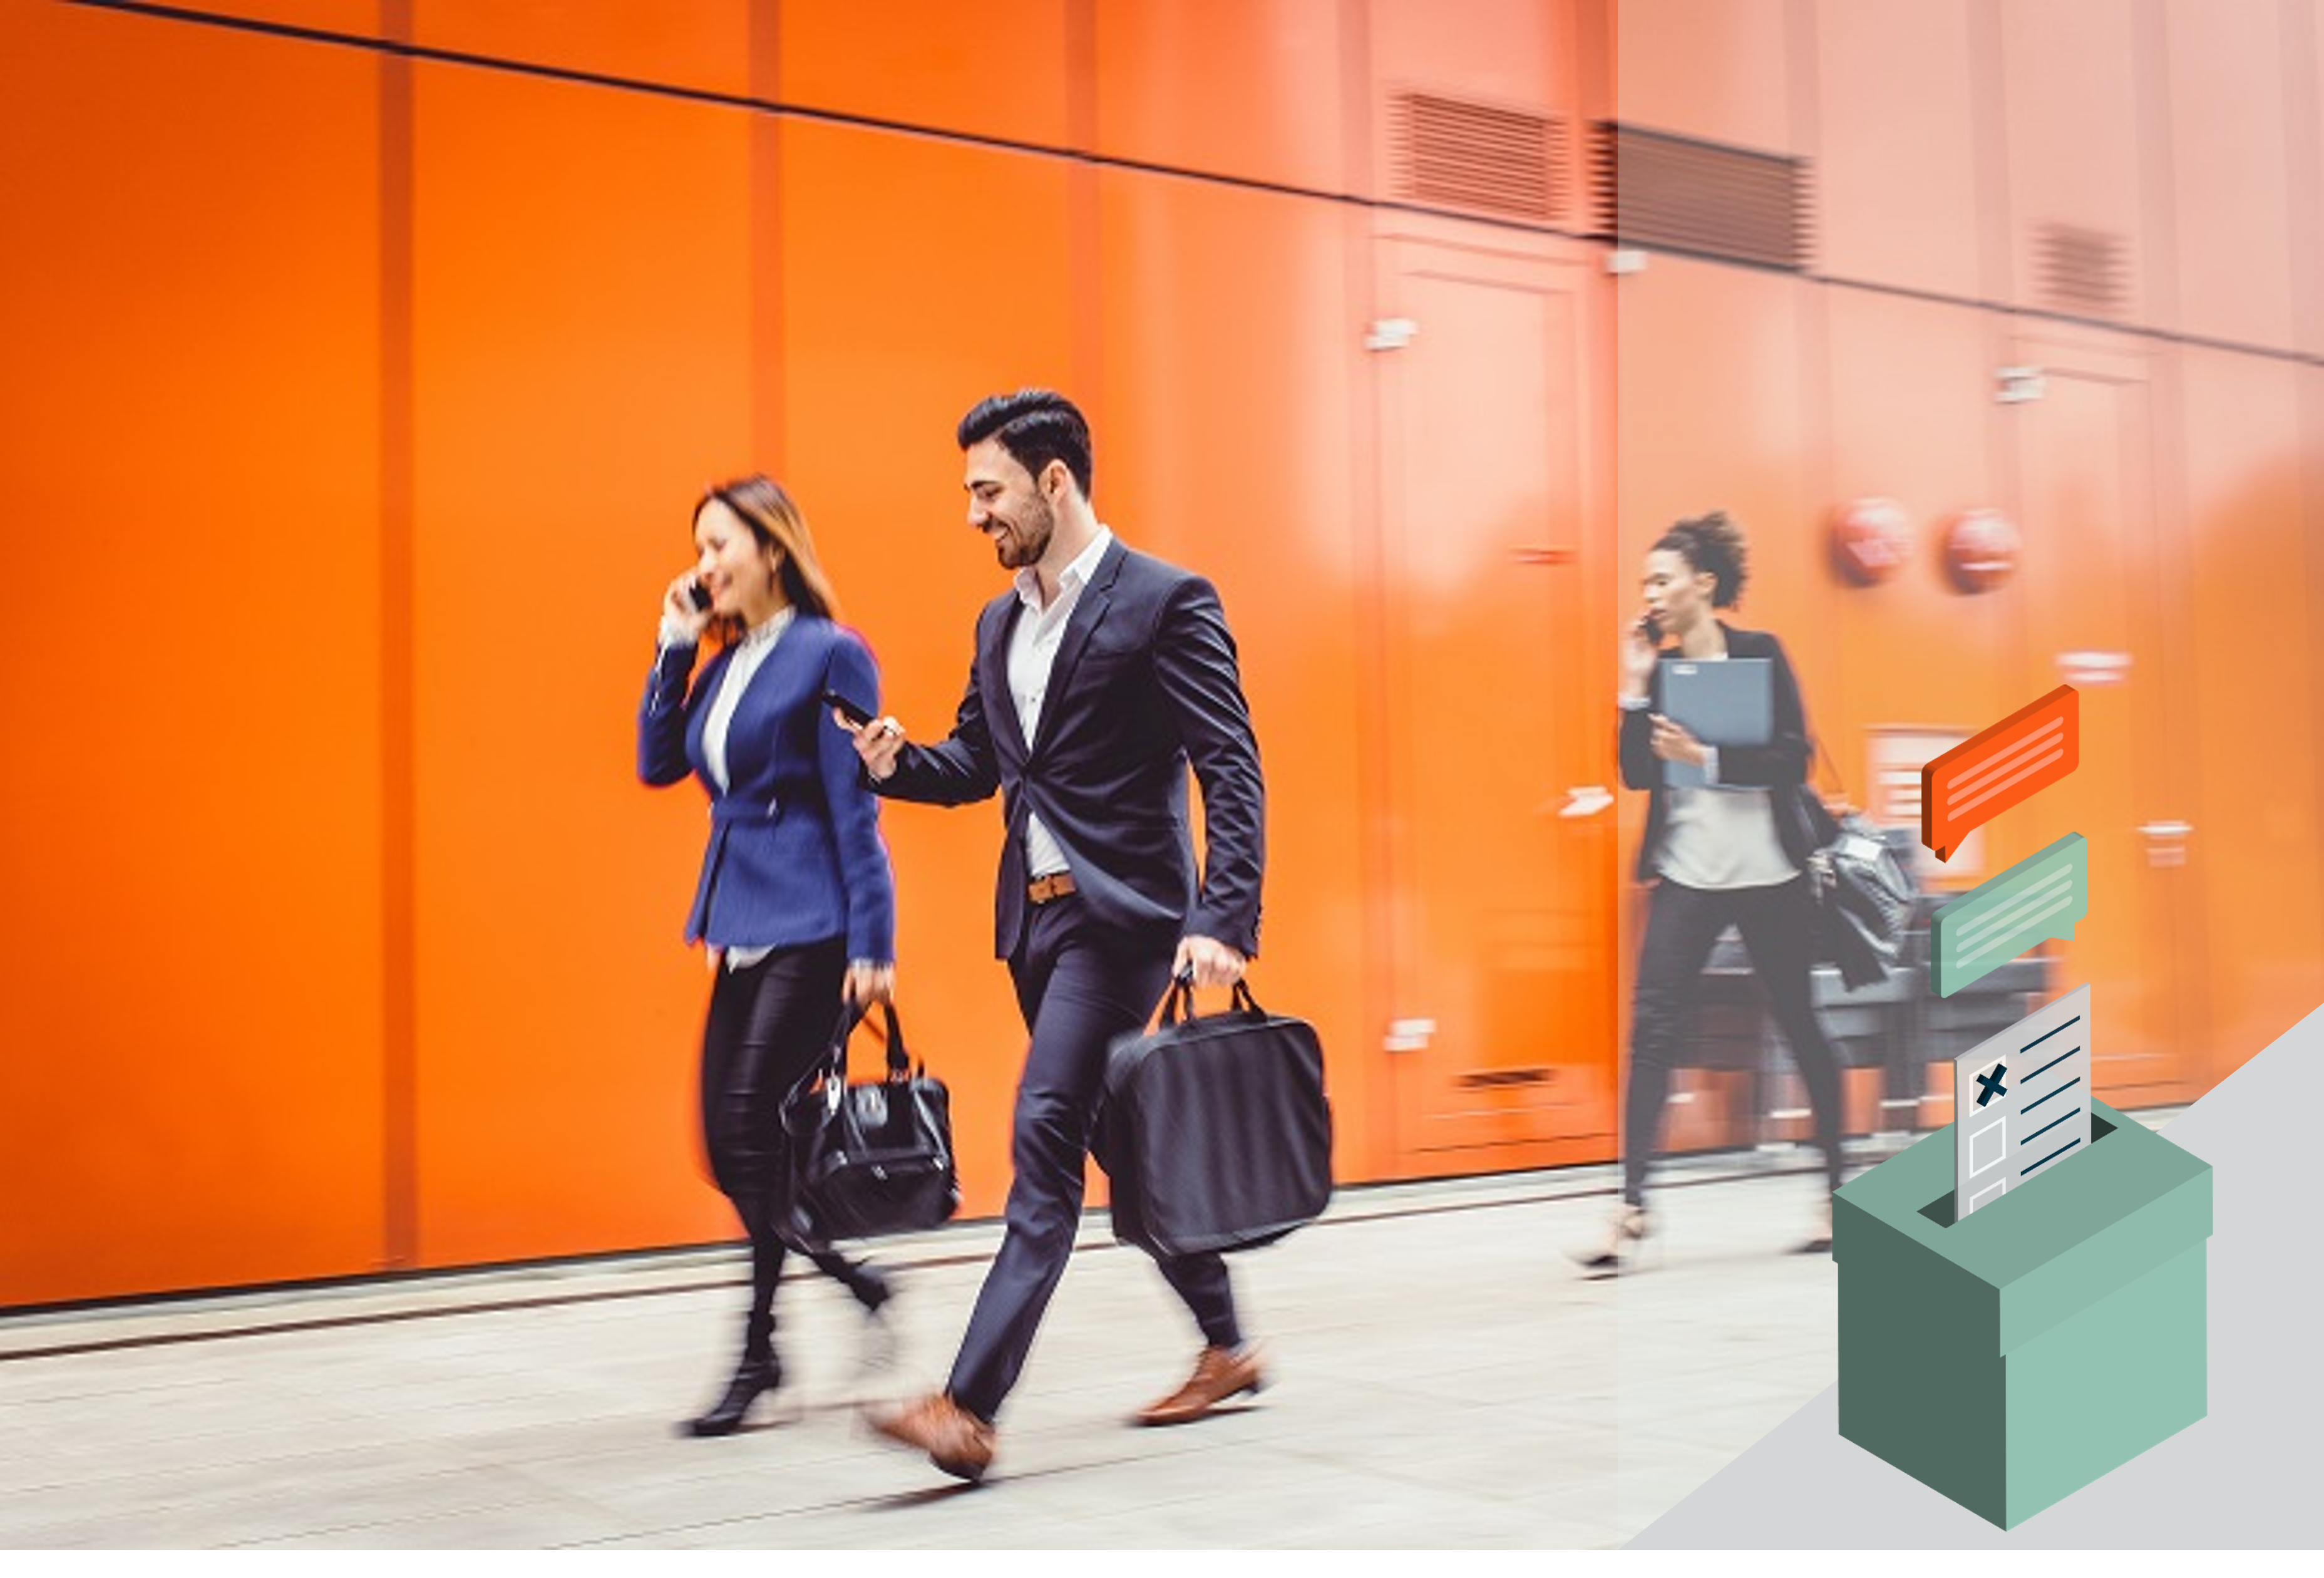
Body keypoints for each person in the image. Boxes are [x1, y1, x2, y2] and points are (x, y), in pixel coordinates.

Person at [840, 389, 1268, 1483]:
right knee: (1120, 1147)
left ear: (1053, 482)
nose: (974, 514)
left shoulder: (1165, 601)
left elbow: (1229, 766)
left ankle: (968, 1407)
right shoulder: (1000, 622)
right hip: (1034, 931)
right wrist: (896, 765)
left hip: (1124, 927)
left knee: (1041, 1136)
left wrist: (1224, 919)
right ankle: (1227, 1343)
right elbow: (982, 767)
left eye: (987, 491)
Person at [637, 475, 902, 1435]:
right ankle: (852, 1278)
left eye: (719, 546)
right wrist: (673, 645)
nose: (704, 565)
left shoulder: (832, 654)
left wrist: (875, 943)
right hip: (737, 922)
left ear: (772, 550)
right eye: (700, 548)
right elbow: (659, 762)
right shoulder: (723, 662)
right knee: (728, 1141)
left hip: (813, 923)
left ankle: (758, 1350)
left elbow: (854, 812)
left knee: (753, 1130)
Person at [1581, 510, 1846, 1272]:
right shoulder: (1660, 672)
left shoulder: (1762, 654)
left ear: (1703, 582)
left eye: (1661, 579)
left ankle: (1835, 1193)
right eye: (1644, 584)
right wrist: (1633, 687)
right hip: (1689, 875)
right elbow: (1635, 773)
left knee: (1800, 1024)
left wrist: (1706, 755)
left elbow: (1791, 758)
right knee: (1652, 1029)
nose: (1650, 593)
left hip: (1771, 876)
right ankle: (1632, 1207)